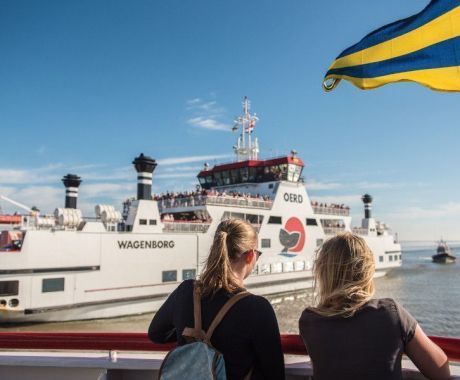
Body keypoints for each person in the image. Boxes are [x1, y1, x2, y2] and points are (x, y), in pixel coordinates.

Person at [299, 232, 450, 380]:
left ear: (323, 272)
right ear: (367, 271)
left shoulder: (309, 321)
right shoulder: (390, 312)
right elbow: (441, 372)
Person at [149, 219, 285, 380]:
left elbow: (156, 334)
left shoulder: (186, 291)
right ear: (250, 256)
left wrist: (190, 335)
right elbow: (275, 374)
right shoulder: (257, 308)